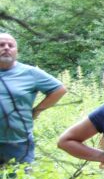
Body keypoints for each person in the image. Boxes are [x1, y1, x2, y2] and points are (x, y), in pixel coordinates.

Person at [0, 32, 66, 165]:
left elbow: (59, 89)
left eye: (10, 45)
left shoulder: (29, 73)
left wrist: (37, 110)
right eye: (1, 45)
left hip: (18, 141)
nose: (6, 48)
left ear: (16, 51)